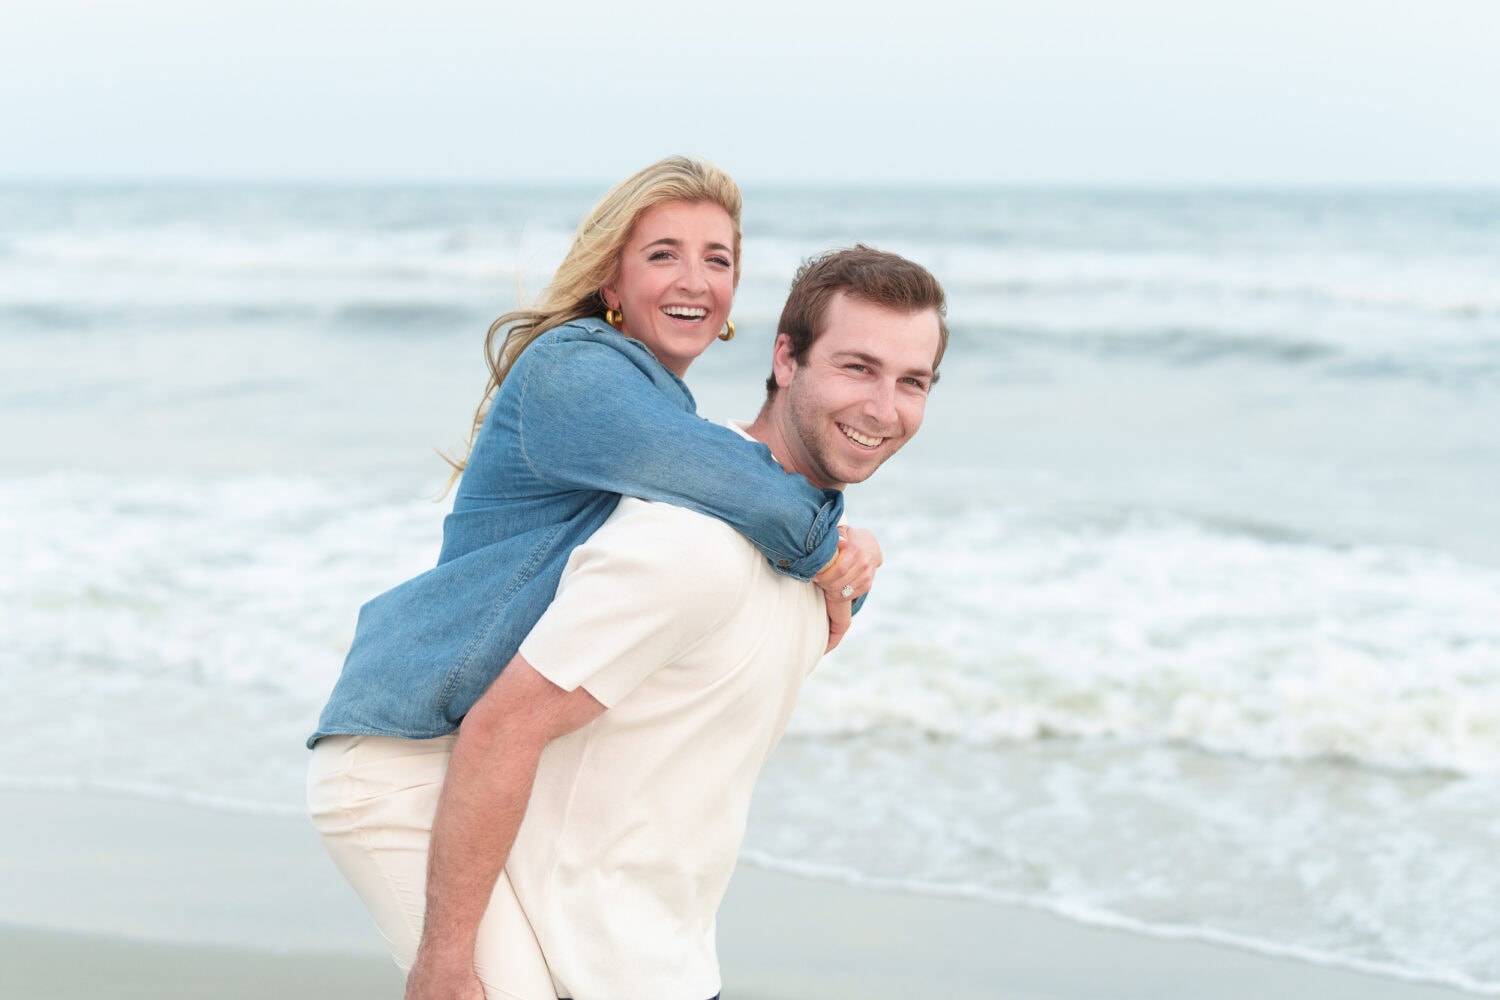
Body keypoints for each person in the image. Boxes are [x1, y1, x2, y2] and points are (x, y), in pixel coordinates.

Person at [310, 245, 949, 1000]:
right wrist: (448, 957)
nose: (884, 408)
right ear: (786, 359)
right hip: (571, 953)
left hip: (669, 960)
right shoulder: (685, 544)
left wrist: (852, 565)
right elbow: (501, 729)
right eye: (857, 368)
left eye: (913, 382)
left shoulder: (816, 561)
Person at [308, 157, 877, 757]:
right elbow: (752, 492)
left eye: (717, 259)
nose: (694, 281)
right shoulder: (574, 372)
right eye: (663, 254)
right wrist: (836, 563)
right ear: (611, 282)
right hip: (405, 747)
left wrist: (845, 563)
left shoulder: (651, 408)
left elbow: (750, 506)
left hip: (461, 742)